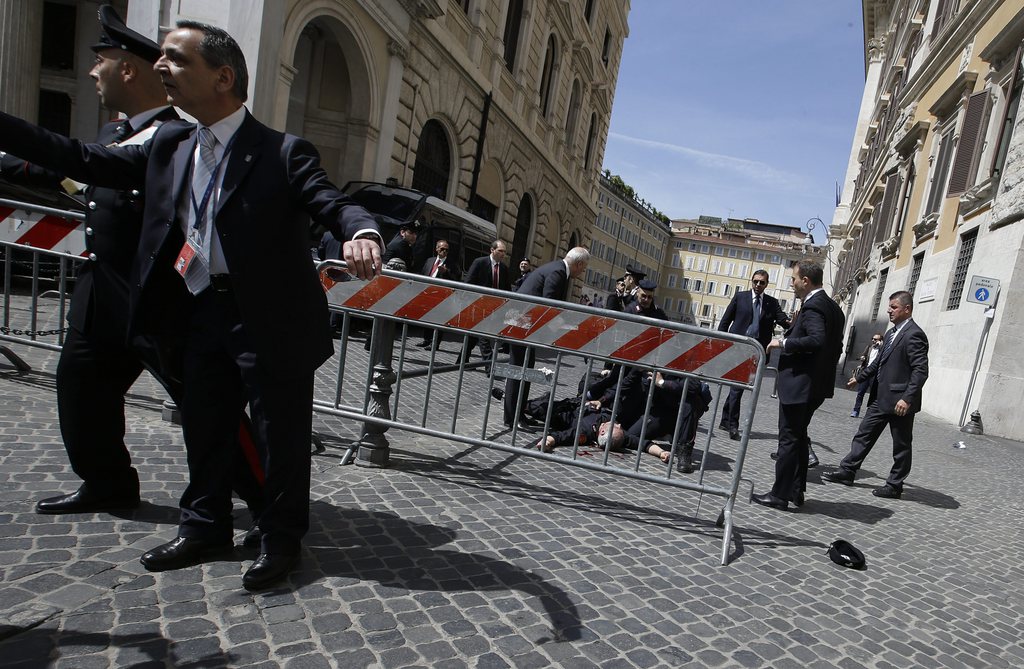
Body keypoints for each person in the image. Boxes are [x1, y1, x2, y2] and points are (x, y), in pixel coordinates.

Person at [0, 20, 383, 590]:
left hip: (268, 318)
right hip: (198, 308)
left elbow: (332, 203)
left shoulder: (281, 151)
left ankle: (280, 540)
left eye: (177, 60)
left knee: (279, 435)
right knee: (205, 424)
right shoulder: (169, 143)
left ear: (222, 77)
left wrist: (365, 233)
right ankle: (204, 528)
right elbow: (82, 160)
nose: (160, 67)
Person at [1, 6, 265, 523]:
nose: (92, 73)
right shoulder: (113, 135)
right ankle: (106, 482)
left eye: (102, 62)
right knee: (81, 390)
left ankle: (267, 498)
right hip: (102, 298)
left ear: (128, 68)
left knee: (208, 411)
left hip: (160, 304)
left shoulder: (182, 140)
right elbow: (63, 169)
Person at [752, 260, 844, 511]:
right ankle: (796, 490)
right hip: (816, 386)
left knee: (789, 439)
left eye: (793, 279)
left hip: (801, 385)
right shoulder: (834, 308)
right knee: (800, 437)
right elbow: (837, 347)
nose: (791, 283)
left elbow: (816, 340)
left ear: (806, 281)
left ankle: (779, 494)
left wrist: (784, 343)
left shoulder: (814, 306)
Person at [822, 291, 929, 499]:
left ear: (907, 309)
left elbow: (920, 371)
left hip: (900, 402)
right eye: (889, 306)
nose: (889, 310)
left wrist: (907, 398)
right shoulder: (890, 333)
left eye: (894, 307)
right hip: (880, 398)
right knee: (864, 434)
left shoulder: (914, 334)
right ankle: (848, 470)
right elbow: (878, 362)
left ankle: (895, 485)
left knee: (901, 445)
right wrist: (860, 378)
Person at [504, 247, 590, 428]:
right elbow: (548, 303)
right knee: (519, 370)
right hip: (521, 323)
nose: (582, 272)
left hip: (523, 323)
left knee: (526, 368)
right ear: (579, 263)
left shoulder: (557, 269)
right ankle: (512, 418)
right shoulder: (558, 272)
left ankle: (518, 414)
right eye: (583, 268)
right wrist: (563, 328)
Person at [717, 270, 790, 441]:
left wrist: (792, 321)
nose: (758, 285)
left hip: (758, 352)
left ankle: (724, 419)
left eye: (762, 283)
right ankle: (733, 425)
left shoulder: (772, 303)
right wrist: (722, 344)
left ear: (767, 284)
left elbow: (783, 321)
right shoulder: (740, 297)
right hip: (739, 349)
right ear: (751, 281)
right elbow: (725, 322)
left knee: (739, 386)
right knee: (738, 386)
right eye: (756, 281)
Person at [461, 240, 510, 362]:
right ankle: (490, 366)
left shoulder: (504, 269)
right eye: (500, 251)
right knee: (483, 335)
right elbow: (468, 283)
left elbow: (507, 290)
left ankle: (462, 360)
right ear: (492, 250)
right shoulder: (479, 263)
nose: (503, 254)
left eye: (504, 252)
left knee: (473, 335)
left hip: (494, 308)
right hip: (478, 306)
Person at [417, 239, 459, 348]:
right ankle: (426, 340)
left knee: (438, 319)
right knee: (427, 317)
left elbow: (456, 279)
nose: (444, 252)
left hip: (442, 296)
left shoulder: (452, 264)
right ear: (437, 249)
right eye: (442, 249)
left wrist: (446, 272)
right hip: (428, 293)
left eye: (446, 250)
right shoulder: (430, 260)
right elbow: (423, 274)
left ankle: (435, 343)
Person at [850, 332, 884, 418]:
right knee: (860, 392)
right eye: (872, 339)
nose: (873, 340)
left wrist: (881, 346)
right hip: (866, 372)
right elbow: (864, 355)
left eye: (875, 339)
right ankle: (856, 410)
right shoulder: (870, 347)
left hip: (875, 374)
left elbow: (882, 357)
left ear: (880, 340)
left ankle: (869, 413)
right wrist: (863, 358)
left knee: (873, 394)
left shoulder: (882, 349)